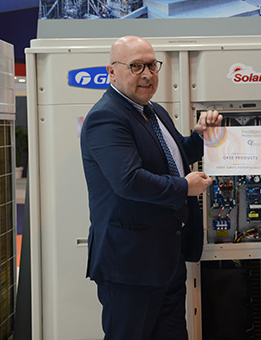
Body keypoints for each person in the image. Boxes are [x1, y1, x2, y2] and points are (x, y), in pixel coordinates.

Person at [80, 36, 222, 340]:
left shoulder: (154, 111)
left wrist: (200, 137)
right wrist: (183, 187)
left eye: (151, 65)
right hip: (130, 266)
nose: (147, 74)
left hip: (166, 260)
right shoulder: (106, 117)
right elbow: (129, 180)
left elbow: (172, 156)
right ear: (112, 71)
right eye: (136, 66)